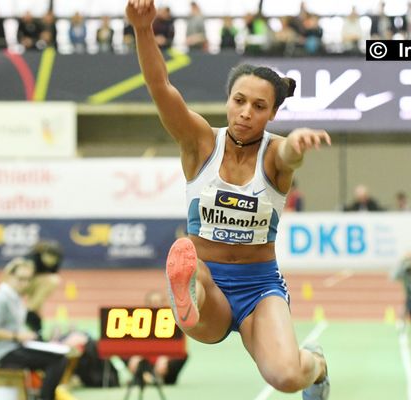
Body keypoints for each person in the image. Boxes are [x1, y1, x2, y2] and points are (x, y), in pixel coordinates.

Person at [126, 1, 331, 399]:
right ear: (228, 100)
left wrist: (299, 145)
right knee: (191, 266)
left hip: (259, 287)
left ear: (272, 113)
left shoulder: (276, 153)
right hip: (210, 282)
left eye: (259, 106)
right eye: (239, 101)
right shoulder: (200, 142)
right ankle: (185, 291)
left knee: (286, 378)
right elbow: (160, 87)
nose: (245, 113)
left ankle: (317, 364)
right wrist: (142, 30)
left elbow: (289, 155)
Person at [0, 257, 68, 400]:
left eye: (28, 279)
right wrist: (17, 336)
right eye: (21, 278)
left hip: (15, 347)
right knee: (57, 360)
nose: (25, 283)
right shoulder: (1, 298)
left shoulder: (15, 297)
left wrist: (26, 335)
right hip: (3, 353)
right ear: (9, 276)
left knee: (57, 356)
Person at [126, 289, 188, 385]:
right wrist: (136, 356)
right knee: (126, 354)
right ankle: (147, 377)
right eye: (152, 303)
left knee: (182, 355)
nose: (155, 306)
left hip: (165, 364)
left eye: (158, 303)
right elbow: (134, 345)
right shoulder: (139, 322)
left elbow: (179, 347)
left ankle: (152, 378)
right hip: (146, 361)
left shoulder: (174, 321)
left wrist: (166, 357)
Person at [24, 240, 64, 337]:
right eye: (48, 257)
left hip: (38, 284)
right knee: (52, 280)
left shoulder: (56, 261)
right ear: (43, 254)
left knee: (37, 306)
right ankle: (28, 313)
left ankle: (36, 329)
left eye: (53, 259)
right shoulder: (33, 260)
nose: (50, 261)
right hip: (25, 282)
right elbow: (24, 277)